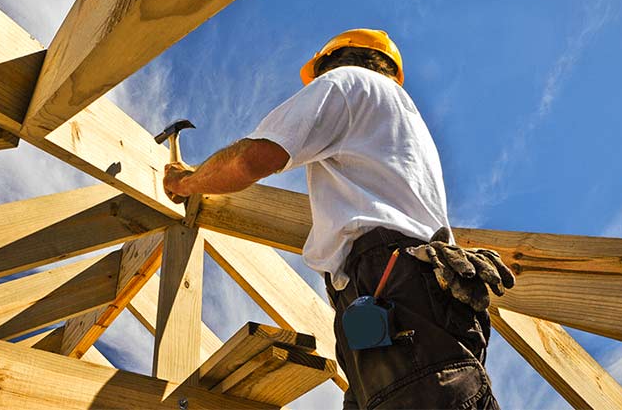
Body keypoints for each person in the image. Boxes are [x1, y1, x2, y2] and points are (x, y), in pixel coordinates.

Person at [163, 29, 511, 409]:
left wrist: (187, 182)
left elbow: (253, 158)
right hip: (413, 297)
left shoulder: (347, 82)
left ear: (332, 61)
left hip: (390, 284)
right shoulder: (401, 120)